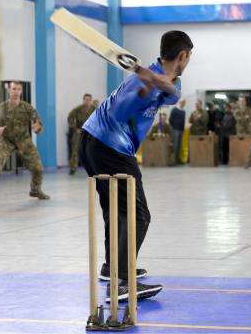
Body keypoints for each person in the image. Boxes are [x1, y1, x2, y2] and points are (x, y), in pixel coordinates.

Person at [80, 30, 193, 301]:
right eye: (189, 58)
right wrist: (146, 89)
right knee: (139, 214)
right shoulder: (138, 82)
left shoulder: (161, 77)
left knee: (117, 211)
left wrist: (156, 83)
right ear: (182, 56)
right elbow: (120, 110)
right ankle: (120, 283)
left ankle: (112, 268)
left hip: (91, 141)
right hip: (110, 146)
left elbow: (173, 94)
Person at [0, 81, 50, 200]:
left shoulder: (27, 107)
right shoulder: (1, 108)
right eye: (13, 89)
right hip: (6, 140)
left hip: (24, 140)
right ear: (9, 91)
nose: (16, 92)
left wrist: (37, 127)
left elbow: (37, 122)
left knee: (38, 167)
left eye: (18, 89)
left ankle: (35, 190)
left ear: (21, 91)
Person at [67, 93, 96, 175]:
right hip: (80, 132)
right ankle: (73, 168)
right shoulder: (78, 109)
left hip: (91, 133)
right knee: (75, 150)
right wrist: (75, 128)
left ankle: (93, 167)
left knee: (92, 150)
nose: (87, 102)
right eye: (86, 100)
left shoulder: (95, 109)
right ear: (83, 100)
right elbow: (70, 117)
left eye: (89, 100)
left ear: (91, 101)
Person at [168, 99, 186, 164]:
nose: (183, 104)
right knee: (175, 145)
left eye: (184, 103)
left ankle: (178, 159)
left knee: (180, 145)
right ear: (180, 102)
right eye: (183, 102)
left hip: (181, 130)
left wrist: (183, 129)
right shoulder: (174, 110)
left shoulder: (183, 111)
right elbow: (170, 120)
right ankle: (173, 160)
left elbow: (183, 121)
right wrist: (173, 127)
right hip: (175, 129)